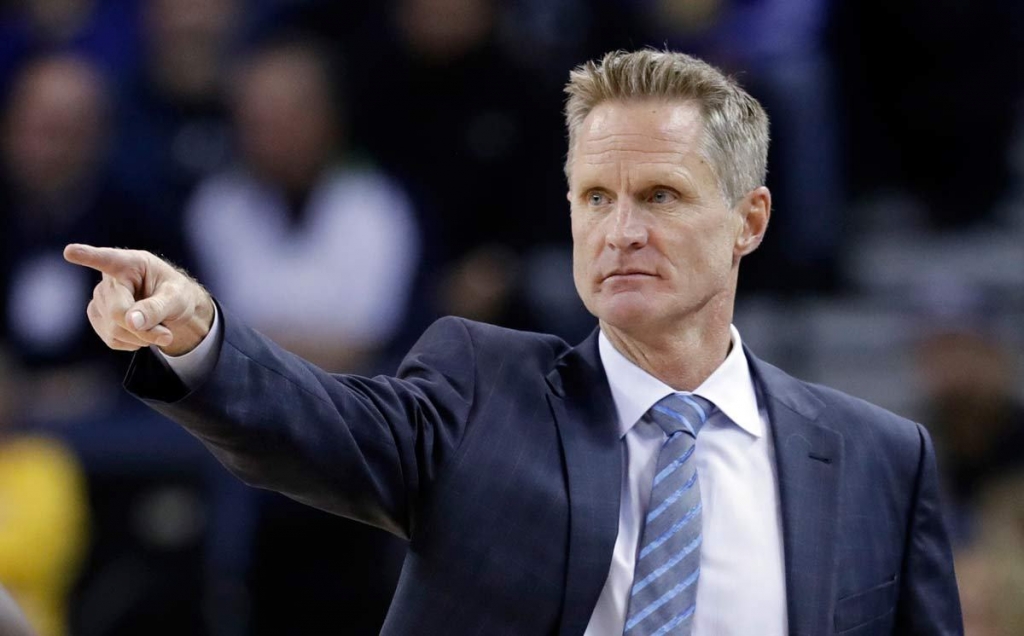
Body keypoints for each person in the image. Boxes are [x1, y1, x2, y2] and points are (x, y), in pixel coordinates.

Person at [63, 50, 962, 635]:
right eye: (595, 198)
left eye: (660, 196)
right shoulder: (481, 388)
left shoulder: (880, 459)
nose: (620, 232)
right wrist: (200, 336)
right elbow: (315, 420)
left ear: (749, 221)